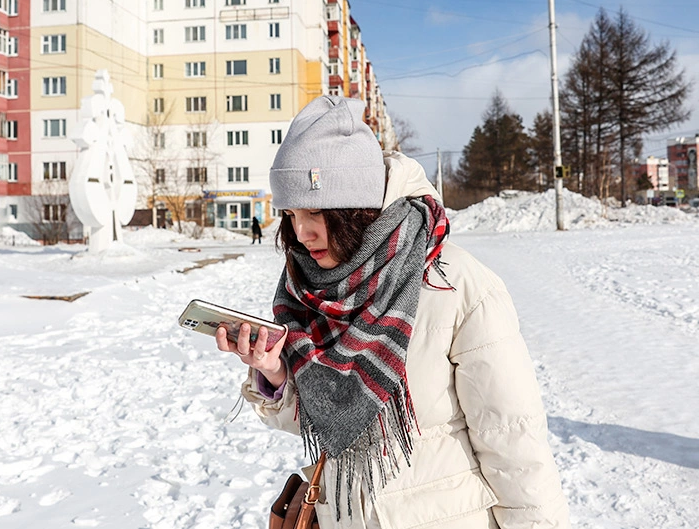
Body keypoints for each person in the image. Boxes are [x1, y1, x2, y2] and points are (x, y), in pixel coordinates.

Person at [215, 96, 569, 529]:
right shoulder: (304, 289)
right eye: (290, 214)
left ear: (355, 208)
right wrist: (274, 375)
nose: (301, 233)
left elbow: (513, 440)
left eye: (315, 212)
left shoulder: (456, 283)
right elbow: (325, 425)